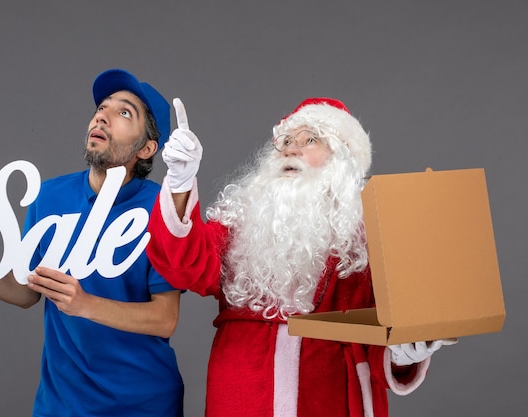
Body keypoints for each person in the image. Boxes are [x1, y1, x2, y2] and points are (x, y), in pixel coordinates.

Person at [146, 97, 456, 417]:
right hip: (243, 397)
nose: (291, 150)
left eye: (310, 140)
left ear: (342, 158)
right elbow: (181, 264)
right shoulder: (240, 226)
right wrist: (180, 182)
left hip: (333, 401)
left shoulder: (371, 238)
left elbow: (382, 336)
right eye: (285, 142)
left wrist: (402, 353)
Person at [0, 69, 184, 417]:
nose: (102, 115)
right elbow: (28, 293)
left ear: (147, 148)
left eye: (124, 112)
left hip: (143, 404)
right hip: (62, 403)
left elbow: (165, 318)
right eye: (102, 107)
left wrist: (84, 303)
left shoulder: (162, 209)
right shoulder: (48, 197)